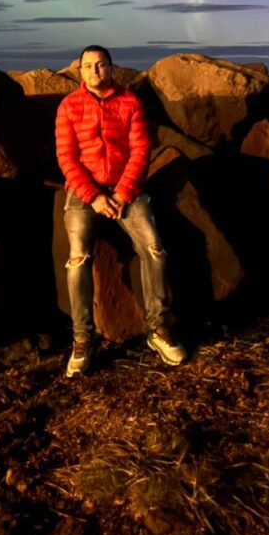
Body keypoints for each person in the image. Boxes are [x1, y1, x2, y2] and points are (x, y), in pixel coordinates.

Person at [55, 44, 187, 378]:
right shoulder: (69, 106)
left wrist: (124, 191)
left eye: (101, 65)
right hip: (85, 192)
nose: (95, 71)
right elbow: (66, 157)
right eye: (88, 66)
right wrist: (94, 196)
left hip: (126, 189)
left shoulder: (130, 103)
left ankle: (159, 330)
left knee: (155, 249)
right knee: (77, 259)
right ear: (80, 71)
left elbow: (141, 150)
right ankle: (84, 340)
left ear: (111, 68)